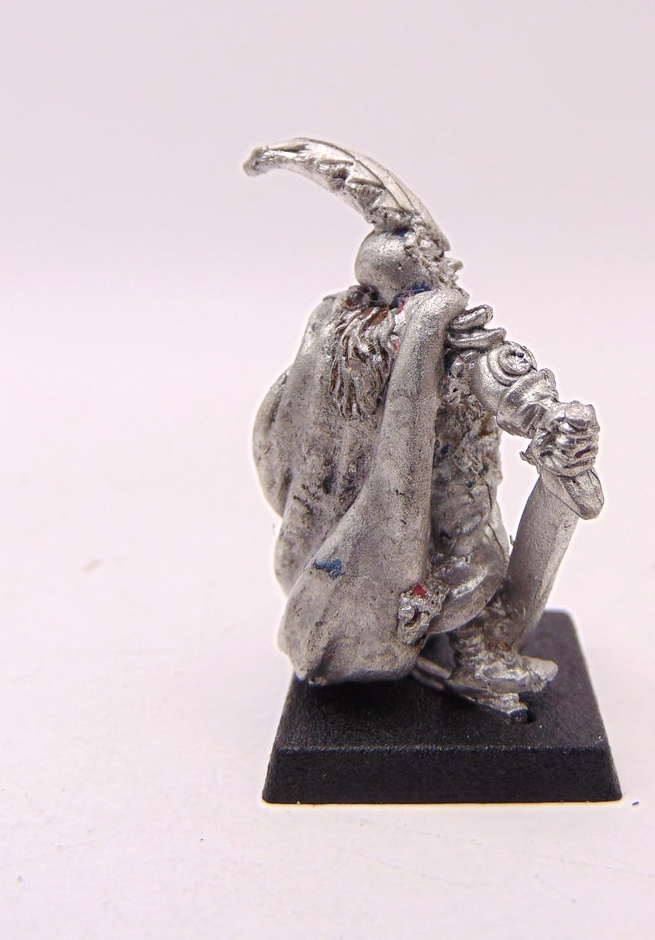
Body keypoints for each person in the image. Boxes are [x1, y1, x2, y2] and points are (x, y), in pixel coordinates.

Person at [249, 139, 602, 720]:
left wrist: (550, 421)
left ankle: (477, 652)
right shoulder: (353, 340)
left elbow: (510, 382)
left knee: (467, 567)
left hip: (447, 495)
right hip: (374, 505)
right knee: (458, 564)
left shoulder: (440, 338)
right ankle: (466, 653)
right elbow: (286, 421)